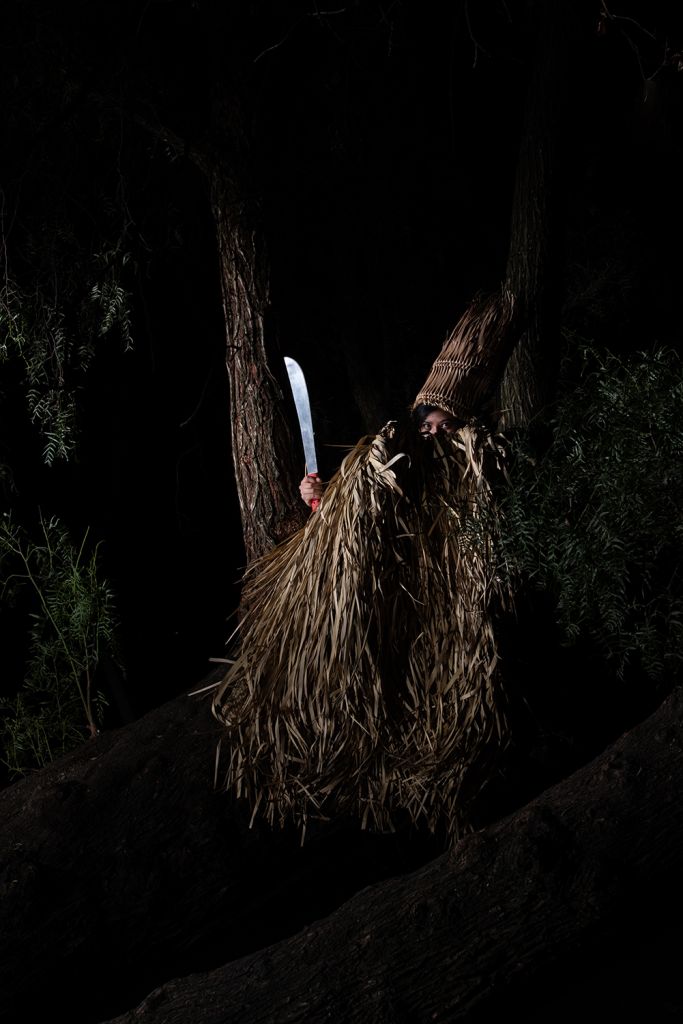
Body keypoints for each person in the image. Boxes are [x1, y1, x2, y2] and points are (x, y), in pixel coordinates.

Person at [213, 286, 518, 843]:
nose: (434, 435)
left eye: (443, 426)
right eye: (427, 425)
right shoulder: (398, 463)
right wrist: (319, 502)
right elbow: (370, 530)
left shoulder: (470, 478)